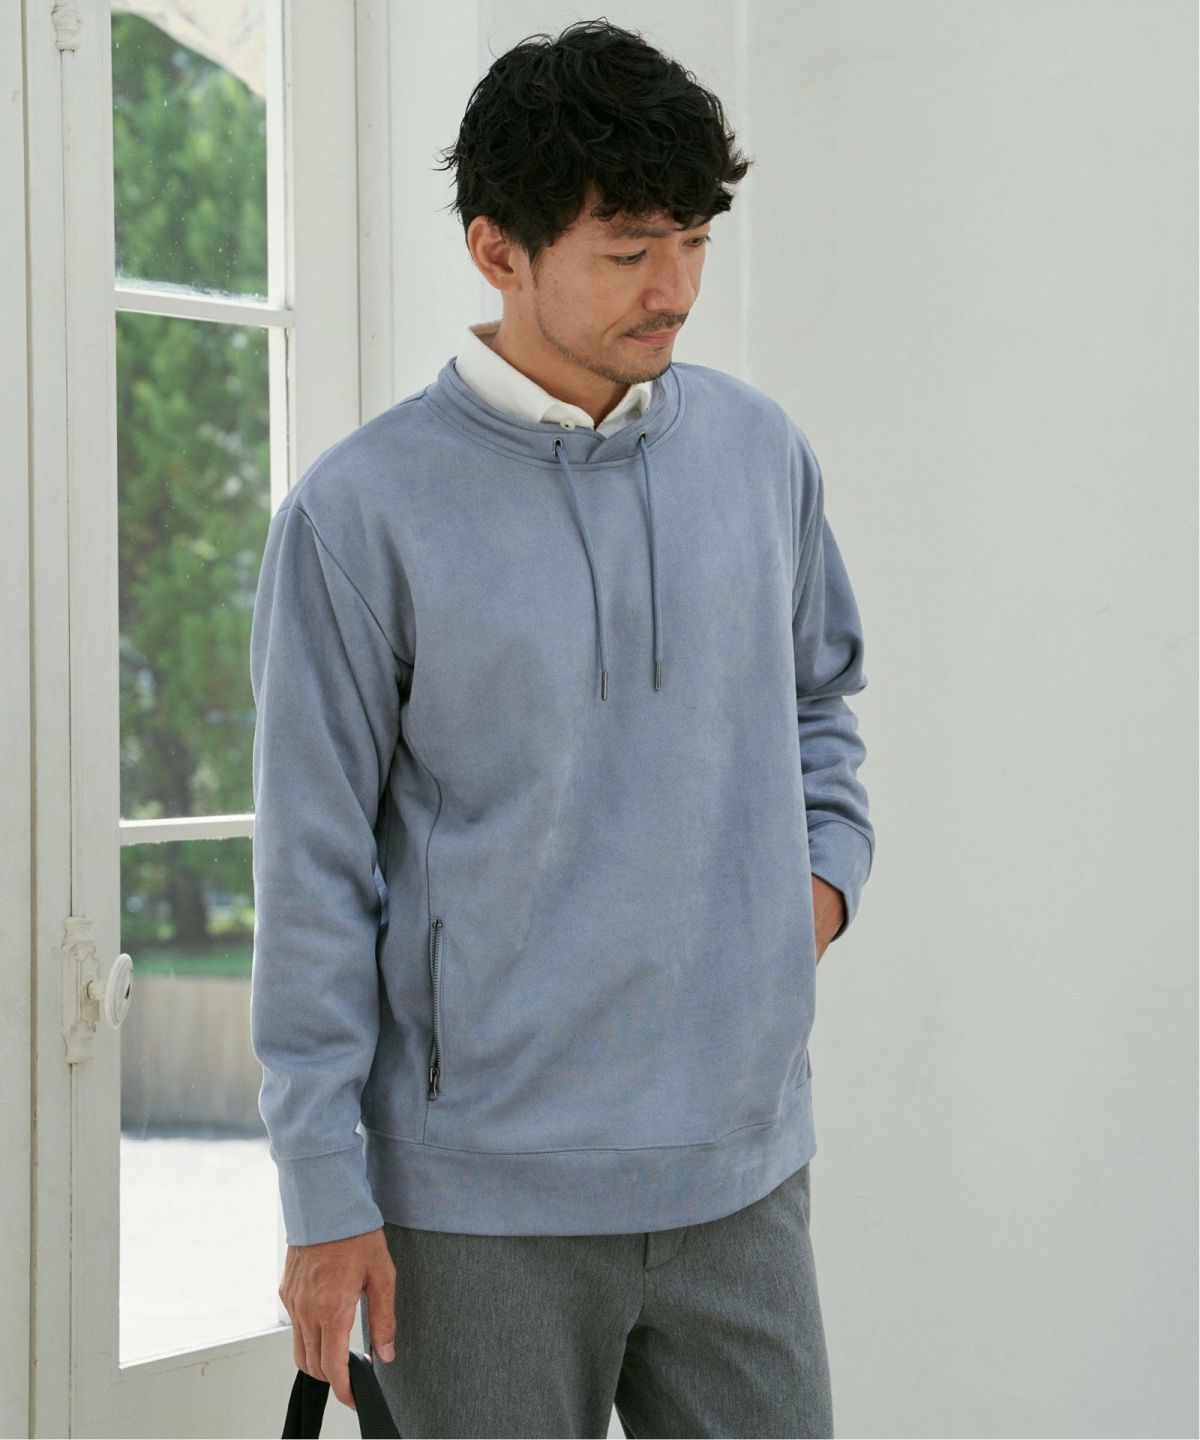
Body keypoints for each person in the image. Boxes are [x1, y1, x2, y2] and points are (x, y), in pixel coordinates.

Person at [250, 18, 875, 1439]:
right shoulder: (360, 515)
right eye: (630, 250)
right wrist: (322, 1192)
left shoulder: (759, 453)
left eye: (695, 242)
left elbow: (819, 707)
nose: (677, 289)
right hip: (475, 1204)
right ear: (499, 251)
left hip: (741, 1174)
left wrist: (813, 896)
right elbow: (311, 874)